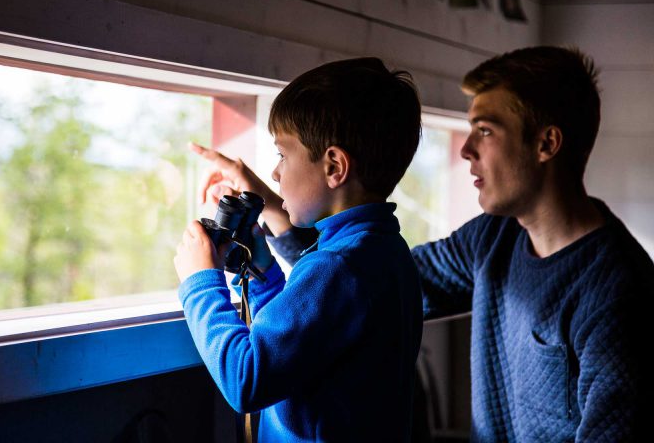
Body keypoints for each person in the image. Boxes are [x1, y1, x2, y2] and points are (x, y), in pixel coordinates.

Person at [192, 46, 654, 442]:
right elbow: (365, 290)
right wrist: (280, 209)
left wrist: (201, 280)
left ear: (546, 143)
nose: (465, 150)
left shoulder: (618, 291)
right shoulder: (494, 238)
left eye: (487, 131)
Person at [173, 57, 424, 442]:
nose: (274, 174)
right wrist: (260, 271)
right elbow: (302, 343)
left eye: (282, 155)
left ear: (334, 167)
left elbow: (247, 379)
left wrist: (199, 281)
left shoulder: (338, 267)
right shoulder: (384, 250)